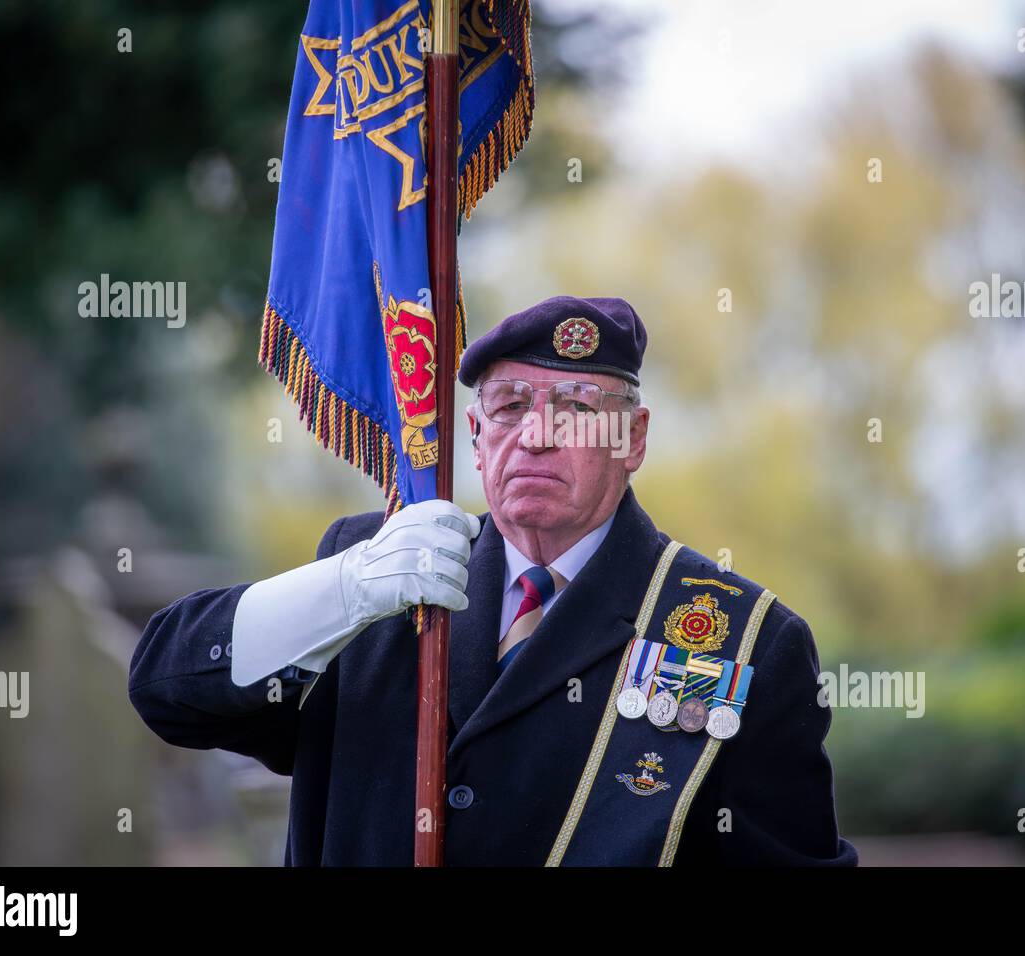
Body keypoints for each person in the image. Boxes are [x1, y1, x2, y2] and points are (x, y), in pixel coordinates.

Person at [129, 294, 858, 866]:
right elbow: (168, 692)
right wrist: (343, 590)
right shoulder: (378, 572)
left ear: (633, 439)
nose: (537, 434)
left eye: (577, 408)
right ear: (476, 438)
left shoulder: (740, 638)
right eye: (510, 407)